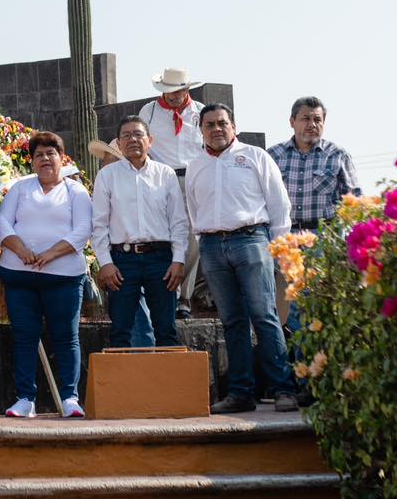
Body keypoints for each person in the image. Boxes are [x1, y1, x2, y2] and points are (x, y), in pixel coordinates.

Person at [185, 103, 297, 414]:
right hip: (211, 246)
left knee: (265, 316)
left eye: (222, 123)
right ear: (202, 130)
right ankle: (241, 393)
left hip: (252, 240)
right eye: (209, 125)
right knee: (232, 321)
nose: (216, 129)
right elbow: (195, 211)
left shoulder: (256, 157)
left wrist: (278, 248)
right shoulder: (195, 166)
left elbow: (279, 205)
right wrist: (205, 241)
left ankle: (283, 389)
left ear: (234, 126)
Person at [0, 131, 93, 418]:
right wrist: (22, 249)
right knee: (24, 337)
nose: (45, 159)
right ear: (32, 161)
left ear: (62, 159)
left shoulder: (76, 191)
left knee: (66, 337)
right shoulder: (20, 188)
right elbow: (3, 221)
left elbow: (83, 229)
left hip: (63, 276)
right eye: (39, 155)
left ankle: (70, 399)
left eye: (51, 153)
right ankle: (25, 399)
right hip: (19, 274)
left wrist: (50, 254)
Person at [91, 116, 189, 351]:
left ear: (150, 140)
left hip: (161, 260)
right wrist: (105, 263)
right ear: (119, 142)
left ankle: (168, 386)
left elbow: (178, 221)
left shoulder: (165, 173)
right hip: (122, 261)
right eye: (126, 135)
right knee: (120, 330)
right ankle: (122, 387)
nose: (132, 139)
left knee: (166, 330)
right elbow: (99, 224)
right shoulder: (107, 175)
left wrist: (178, 260)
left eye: (138, 134)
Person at [268, 96, 361, 335]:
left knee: (312, 303)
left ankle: (306, 364)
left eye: (317, 119)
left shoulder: (337, 155)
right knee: (291, 303)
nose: (312, 124)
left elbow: (354, 203)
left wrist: (349, 245)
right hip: (284, 238)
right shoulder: (273, 156)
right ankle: (300, 362)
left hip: (322, 238)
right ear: (292, 122)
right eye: (305, 119)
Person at [139, 67, 206, 320]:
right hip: (159, 177)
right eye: (170, 91)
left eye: (180, 90)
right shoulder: (149, 111)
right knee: (160, 233)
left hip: (192, 178)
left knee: (193, 239)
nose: (175, 95)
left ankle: (183, 297)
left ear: (187, 89)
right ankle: (162, 291)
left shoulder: (200, 111)